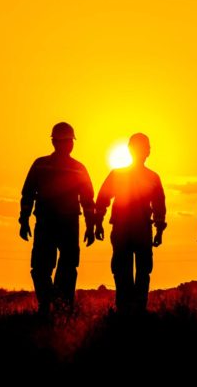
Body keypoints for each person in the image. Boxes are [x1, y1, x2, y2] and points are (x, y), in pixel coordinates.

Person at [19, 122, 96, 315]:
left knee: (46, 267)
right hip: (63, 224)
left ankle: (52, 304)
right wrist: (90, 226)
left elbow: (87, 200)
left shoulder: (41, 164)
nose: (69, 145)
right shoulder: (76, 168)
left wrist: (24, 220)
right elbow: (87, 200)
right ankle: (57, 304)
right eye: (69, 141)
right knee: (59, 267)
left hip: (52, 223)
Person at [94, 133, 166, 314]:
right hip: (131, 229)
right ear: (147, 151)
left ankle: (130, 309)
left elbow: (159, 206)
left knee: (130, 270)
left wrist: (98, 222)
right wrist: (98, 221)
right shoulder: (147, 177)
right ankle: (132, 309)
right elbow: (102, 199)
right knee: (130, 270)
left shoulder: (121, 174)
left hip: (130, 229)